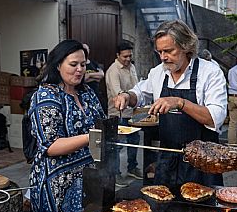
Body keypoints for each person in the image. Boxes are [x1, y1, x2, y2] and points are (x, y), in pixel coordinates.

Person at [26, 39, 106, 212]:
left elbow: (101, 123)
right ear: (57, 65)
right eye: (73, 64)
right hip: (54, 183)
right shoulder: (45, 96)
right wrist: (91, 137)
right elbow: (50, 145)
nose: (80, 70)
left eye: (83, 64)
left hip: (83, 178)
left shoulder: (87, 93)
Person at [114, 20, 227, 186]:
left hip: (203, 161)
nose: (163, 57)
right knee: (164, 207)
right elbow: (139, 93)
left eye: (168, 51)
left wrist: (180, 102)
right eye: (159, 52)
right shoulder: (158, 72)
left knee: (203, 209)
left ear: (186, 47)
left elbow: (215, 118)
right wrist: (126, 95)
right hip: (168, 159)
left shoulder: (210, 72)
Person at [105, 41, 142, 186]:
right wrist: (128, 97)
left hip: (132, 113)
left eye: (130, 56)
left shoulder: (131, 66)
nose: (128, 59)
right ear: (117, 55)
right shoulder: (113, 71)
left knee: (134, 141)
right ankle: (116, 175)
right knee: (117, 145)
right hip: (118, 114)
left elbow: (137, 86)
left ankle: (132, 167)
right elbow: (117, 94)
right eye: (125, 56)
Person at [82, 43, 106, 108]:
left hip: (96, 93)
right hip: (85, 94)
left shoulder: (94, 63)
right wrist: (95, 77)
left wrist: (89, 75)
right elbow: (83, 79)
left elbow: (101, 75)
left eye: (87, 49)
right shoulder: (81, 65)